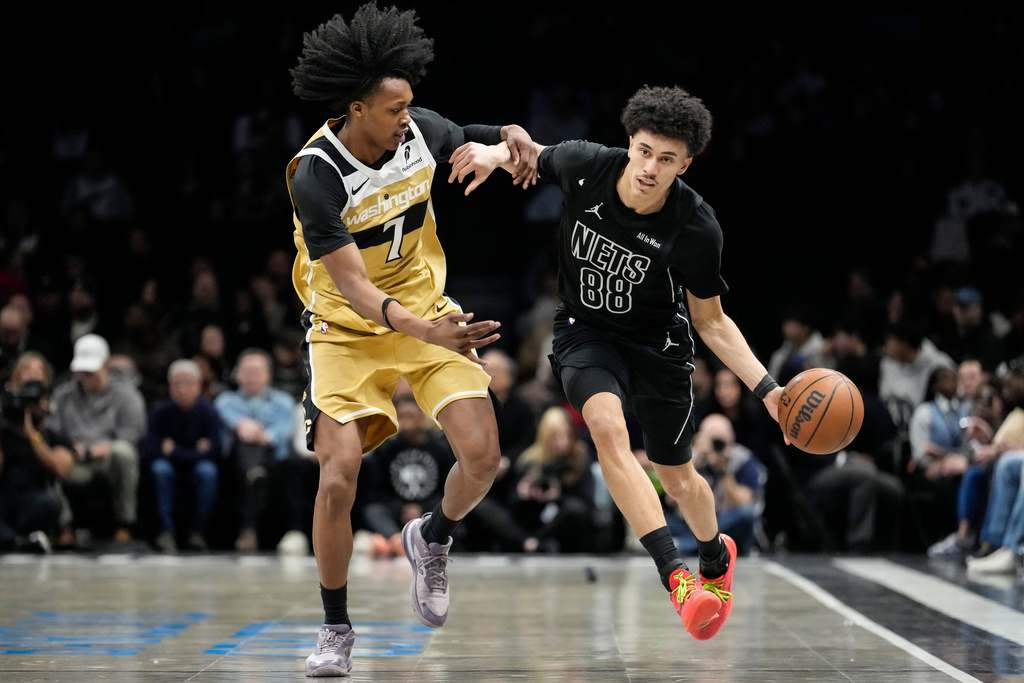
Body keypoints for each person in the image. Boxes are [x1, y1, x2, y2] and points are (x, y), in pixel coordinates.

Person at [458, 84, 784, 640]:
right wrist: (491, 153)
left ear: (686, 163)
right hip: (586, 332)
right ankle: (677, 578)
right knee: (607, 430)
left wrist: (771, 391)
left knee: (680, 479)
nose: (650, 168)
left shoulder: (696, 227)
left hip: (659, 349)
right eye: (644, 151)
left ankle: (713, 559)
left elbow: (711, 321)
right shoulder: (587, 165)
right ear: (629, 142)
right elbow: (531, 154)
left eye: (667, 159)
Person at [285, 5, 539, 675]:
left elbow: (481, 137)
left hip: (426, 308)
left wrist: (511, 140)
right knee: (338, 477)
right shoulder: (315, 173)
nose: (408, 116)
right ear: (356, 108)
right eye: (395, 107)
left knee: (483, 457)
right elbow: (356, 288)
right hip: (345, 330)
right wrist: (423, 328)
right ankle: (336, 627)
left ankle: (432, 537)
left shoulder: (420, 131)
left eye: (410, 104)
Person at [49, 333, 146, 543]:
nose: (85, 375)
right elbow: (53, 431)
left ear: (105, 366)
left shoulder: (127, 396)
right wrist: (66, 448)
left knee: (124, 452)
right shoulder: (63, 396)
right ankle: (63, 526)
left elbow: (130, 436)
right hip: (76, 461)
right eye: (81, 371)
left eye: (90, 370)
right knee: (50, 460)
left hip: (108, 460)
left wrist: (95, 450)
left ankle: (124, 524)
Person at [213, 348, 296, 552]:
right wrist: (241, 424)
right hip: (236, 462)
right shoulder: (225, 401)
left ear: (268, 375)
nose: (252, 377)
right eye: (247, 372)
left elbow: (282, 433)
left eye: (257, 372)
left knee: (257, 453)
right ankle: (254, 474)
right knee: (246, 448)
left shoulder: (283, 402)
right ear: (237, 375)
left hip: (275, 459)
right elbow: (229, 422)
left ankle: (250, 529)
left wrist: (262, 435)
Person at [360, 394, 455, 558]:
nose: (407, 423)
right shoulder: (385, 449)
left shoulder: (440, 448)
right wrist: (402, 508)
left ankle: (410, 543)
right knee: (373, 511)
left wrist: (421, 507)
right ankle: (397, 540)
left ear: (422, 418)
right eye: (401, 417)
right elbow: (377, 492)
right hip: (396, 509)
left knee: (450, 509)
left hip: (431, 508)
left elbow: (448, 490)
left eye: (411, 416)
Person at [143, 359, 221, 553]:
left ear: (198, 386)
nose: (182, 389)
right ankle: (166, 532)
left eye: (188, 384)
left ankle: (198, 533)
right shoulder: (161, 411)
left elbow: (214, 452)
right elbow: (151, 450)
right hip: (171, 465)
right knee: (160, 470)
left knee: (208, 472)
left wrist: (174, 451)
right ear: (169, 387)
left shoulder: (208, 412)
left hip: (196, 466)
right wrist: (195, 451)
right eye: (177, 384)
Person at [0, 352, 75, 553]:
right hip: (4, 494)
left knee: (51, 504)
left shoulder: (51, 431)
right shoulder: (4, 423)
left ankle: (10, 539)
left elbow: (61, 469)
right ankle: (18, 541)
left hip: (34, 495)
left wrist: (32, 433)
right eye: (26, 371)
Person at [668, 414, 765, 557]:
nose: (715, 446)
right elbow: (671, 501)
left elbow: (744, 503)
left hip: (727, 525)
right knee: (662, 517)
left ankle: (686, 546)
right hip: (695, 524)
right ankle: (696, 544)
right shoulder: (690, 458)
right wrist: (695, 459)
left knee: (745, 515)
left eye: (719, 440)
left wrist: (723, 472)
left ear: (731, 438)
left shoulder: (743, 459)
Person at [510, 406, 598, 553]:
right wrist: (523, 495)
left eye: (567, 435)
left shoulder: (580, 456)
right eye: (555, 437)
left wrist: (557, 497)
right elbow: (512, 506)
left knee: (573, 508)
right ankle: (532, 542)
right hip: (536, 518)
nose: (562, 443)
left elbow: (586, 502)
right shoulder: (530, 459)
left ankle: (535, 542)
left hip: (569, 521)